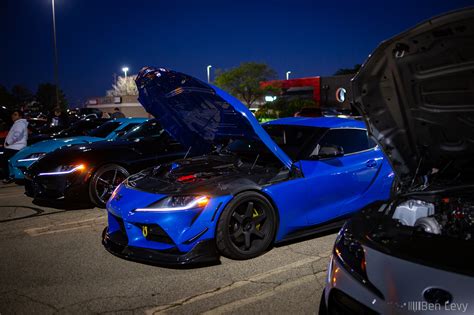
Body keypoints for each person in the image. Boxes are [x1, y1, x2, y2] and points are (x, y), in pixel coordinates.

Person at [1, 110, 28, 183]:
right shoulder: (18, 123)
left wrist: (8, 142)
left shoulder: (20, 123)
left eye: (15, 114)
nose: (13, 116)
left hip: (14, 147)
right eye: (13, 114)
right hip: (15, 146)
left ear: (20, 116)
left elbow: (17, 134)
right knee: (11, 162)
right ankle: (12, 176)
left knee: (3, 161)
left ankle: (8, 177)